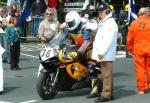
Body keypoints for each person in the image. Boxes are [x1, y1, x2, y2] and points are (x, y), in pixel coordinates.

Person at [92, 2, 118, 102]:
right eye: (99, 11)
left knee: (106, 74)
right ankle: (109, 93)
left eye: (101, 11)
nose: (99, 13)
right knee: (105, 73)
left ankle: (106, 94)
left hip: (105, 52)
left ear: (106, 11)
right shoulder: (105, 21)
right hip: (103, 52)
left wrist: (101, 52)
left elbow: (108, 39)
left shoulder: (110, 23)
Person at [127, 7, 150, 94]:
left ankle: (141, 89)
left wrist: (129, 48)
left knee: (140, 69)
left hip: (139, 49)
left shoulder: (134, 23)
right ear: (147, 13)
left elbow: (129, 38)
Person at [37, 7, 60, 77]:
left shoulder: (56, 22)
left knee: (56, 61)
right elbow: (39, 35)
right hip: (45, 45)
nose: (48, 15)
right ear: (45, 15)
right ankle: (39, 77)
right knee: (43, 62)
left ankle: (55, 77)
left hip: (55, 44)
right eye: (47, 14)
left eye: (50, 14)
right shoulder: (42, 23)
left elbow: (60, 33)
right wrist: (43, 38)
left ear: (52, 15)